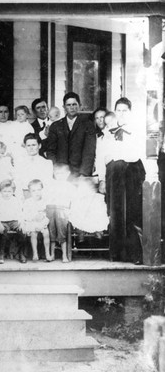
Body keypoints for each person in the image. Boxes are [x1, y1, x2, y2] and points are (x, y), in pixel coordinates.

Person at [104, 97, 145, 264]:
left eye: (124, 110)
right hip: (114, 174)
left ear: (130, 112)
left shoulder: (136, 130)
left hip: (131, 172)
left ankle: (135, 254)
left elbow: (135, 153)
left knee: (132, 211)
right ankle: (118, 254)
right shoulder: (109, 131)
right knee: (116, 212)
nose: (121, 113)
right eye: (118, 110)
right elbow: (105, 155)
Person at [45, 92, 96, 179]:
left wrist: (84, 174)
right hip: (61, 173)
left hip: (79, 173)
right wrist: (57, 170)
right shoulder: (56, 126)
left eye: (74, 104)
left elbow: (89, 152)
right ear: (64, 107)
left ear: (79, 105)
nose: (71, 107)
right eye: (68, 105)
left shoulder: (88, 125)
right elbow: (50, 151)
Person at [46, 164, 76, 263]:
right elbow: (48, 199)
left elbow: (73, 201)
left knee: (62, 231)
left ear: (67, 174)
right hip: (52, 210)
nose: (59, 176)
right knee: (52, 230)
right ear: (54, 174)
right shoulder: (51, 185)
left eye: (62, 173)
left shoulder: (70, 186)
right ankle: (52, 254)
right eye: (57, 173)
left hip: (63, 211)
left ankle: (64, 255)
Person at [21, 179, 52, 262]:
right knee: (33, 233)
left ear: (42, 190)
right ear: (30, 192)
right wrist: (33, 217)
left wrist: (43, 219)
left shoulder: (45, 201)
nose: (37, 192)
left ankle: (47, 253)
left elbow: (47, 214)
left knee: (46, 233)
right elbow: (25, 214)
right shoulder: (28, 202)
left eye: (39, 190)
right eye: (34, 191)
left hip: (42, 221)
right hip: (32, 222)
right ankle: (35, 253)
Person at [0, 179, 26, 263]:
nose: (7, 193)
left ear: (13, 191)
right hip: (3, 222)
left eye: (9, 191)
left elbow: (20, 213)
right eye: (4, 191)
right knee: (3, 232)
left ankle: (21, 253)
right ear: (0, 191)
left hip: (14, 221)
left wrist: (21, 223)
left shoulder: (15, 200)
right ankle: (1, 253)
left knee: (22, 231)